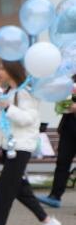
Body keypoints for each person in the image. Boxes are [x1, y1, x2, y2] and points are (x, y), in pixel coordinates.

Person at [0, 61, 61, 225]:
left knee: (3, 189)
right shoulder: (7, 92)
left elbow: (29, 119)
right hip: (9, 147)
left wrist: (8, 107)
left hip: (22, 147)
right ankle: (48, 222)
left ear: (11, 71)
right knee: (20, 189)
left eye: (2, 68)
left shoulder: (26, 92)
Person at [37, 75, 76, 208]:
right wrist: (62, 104)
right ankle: (55, 196)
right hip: (69, 129)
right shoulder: (71, 81)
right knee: (62, 163)